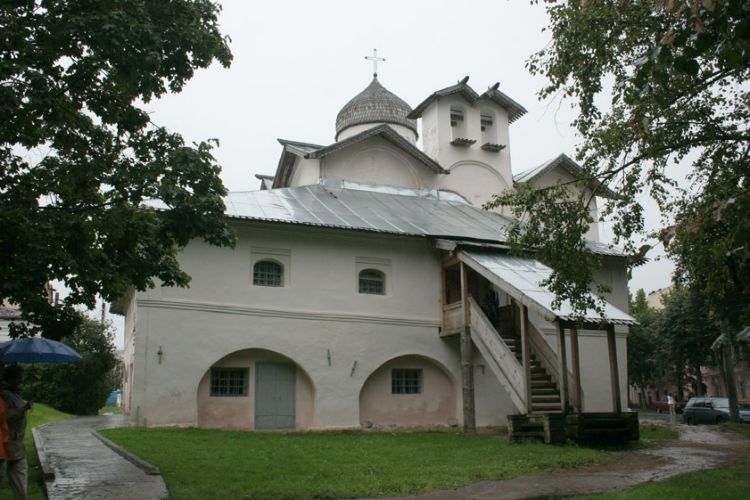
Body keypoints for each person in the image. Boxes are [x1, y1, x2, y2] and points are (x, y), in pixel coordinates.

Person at [4, 364, 31, 500]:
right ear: (12, 378)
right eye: (19, 377)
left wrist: (25, 407)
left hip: (17, 446)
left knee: (21, 491)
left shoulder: (14, 394)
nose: (21, 380)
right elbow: (5, 416)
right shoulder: (4, 394)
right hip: (5, 446)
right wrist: (23, 409)